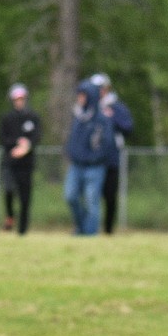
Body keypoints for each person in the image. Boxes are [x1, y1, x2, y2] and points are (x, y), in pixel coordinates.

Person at [64, 78, 113, 235]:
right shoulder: (78, 117)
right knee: (70, 196)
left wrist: (95, 157)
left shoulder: (102, 119)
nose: (80, 98)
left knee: (92, 201)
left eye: (83, 95)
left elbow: (107, 143)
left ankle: (90, 234)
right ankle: (82, 227)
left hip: (95, 166)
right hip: (77, 165)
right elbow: (72, 140)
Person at [90, 73, 133, 235]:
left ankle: (108, 229)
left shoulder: (116, 108)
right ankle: (90, 228)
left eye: (102, 89)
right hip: (92, 159)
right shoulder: (89, 108)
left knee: (109, 195)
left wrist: (111, 117)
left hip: (111, 159)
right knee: (90, 194)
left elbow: (128, 128)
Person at [0, 83, 41, 234]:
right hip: (11, 161)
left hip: (26, 164)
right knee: (9, 189)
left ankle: (22, 231)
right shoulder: (7, 118)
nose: (19, 101)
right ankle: (10, 216)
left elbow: (36, 137)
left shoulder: (33, 117)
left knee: (25, 197)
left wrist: (26, 146)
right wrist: (16, 145)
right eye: (16, 99)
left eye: (21, 99)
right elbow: (2, 138)